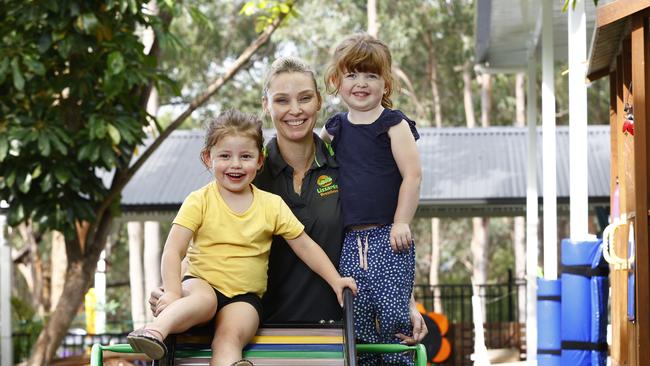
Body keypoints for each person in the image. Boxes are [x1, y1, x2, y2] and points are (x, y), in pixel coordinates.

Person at [149, 57, 427, 342]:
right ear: (266, 105)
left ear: (319, 101)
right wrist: (174, 290)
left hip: (334, 333)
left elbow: (376, 233)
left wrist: (405, 301)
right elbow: (207, 242)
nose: (295, 110)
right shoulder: (247, 172)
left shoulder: (342, 161)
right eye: (282, 100)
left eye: (305, 98)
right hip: (259, 332)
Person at [128, 109, 357, 366]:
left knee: (230, 337)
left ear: (260, 161)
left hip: (244, 297)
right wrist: (171, 292)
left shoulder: (271, 205)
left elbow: (304, 245)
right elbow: (173, 250)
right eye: (225, 156)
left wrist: (336, 279)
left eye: (245, 156)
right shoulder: (199, 200)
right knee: (202, 300)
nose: (235, 164)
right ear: (208, 158)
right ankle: (154, 332)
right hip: (201, 283)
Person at [322, 33, 422, 365]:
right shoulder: (335, 129)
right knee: (356, 321)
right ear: (337, 80)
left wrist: (401, 221)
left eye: (371, 75)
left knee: (394, 317)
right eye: (352, 74)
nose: (361, 83)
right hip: (351, 242)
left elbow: (412, 175)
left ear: (385, 82)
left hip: (389, 238)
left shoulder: (393, 124)